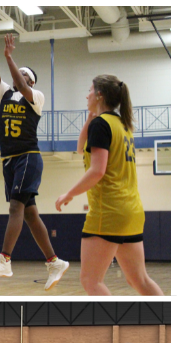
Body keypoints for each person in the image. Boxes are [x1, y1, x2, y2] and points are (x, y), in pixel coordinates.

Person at [0, 11, 69, 290]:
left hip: (28, 156)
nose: (20, 76)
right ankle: (54, 261)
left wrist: (10, 58)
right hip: (9, 160)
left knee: (15, 206)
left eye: (25, 74)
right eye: (19, 73)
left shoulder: (35, 97)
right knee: (29, 214)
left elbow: (23, 84)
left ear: (31, 81)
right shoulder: (4, 93)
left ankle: (4, 260)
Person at [55, 76, 164, 296]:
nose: (87, 95)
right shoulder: (122, 125)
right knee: (140, 280)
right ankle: (169, 323)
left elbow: (97, 170)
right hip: (131, 212)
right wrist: (90, 117)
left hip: (109, 212)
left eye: (90, 90)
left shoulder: (101, 125)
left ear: (99, 95)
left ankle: (113, 328)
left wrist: (69, 193)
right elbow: (80, 148)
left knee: (90, 281)